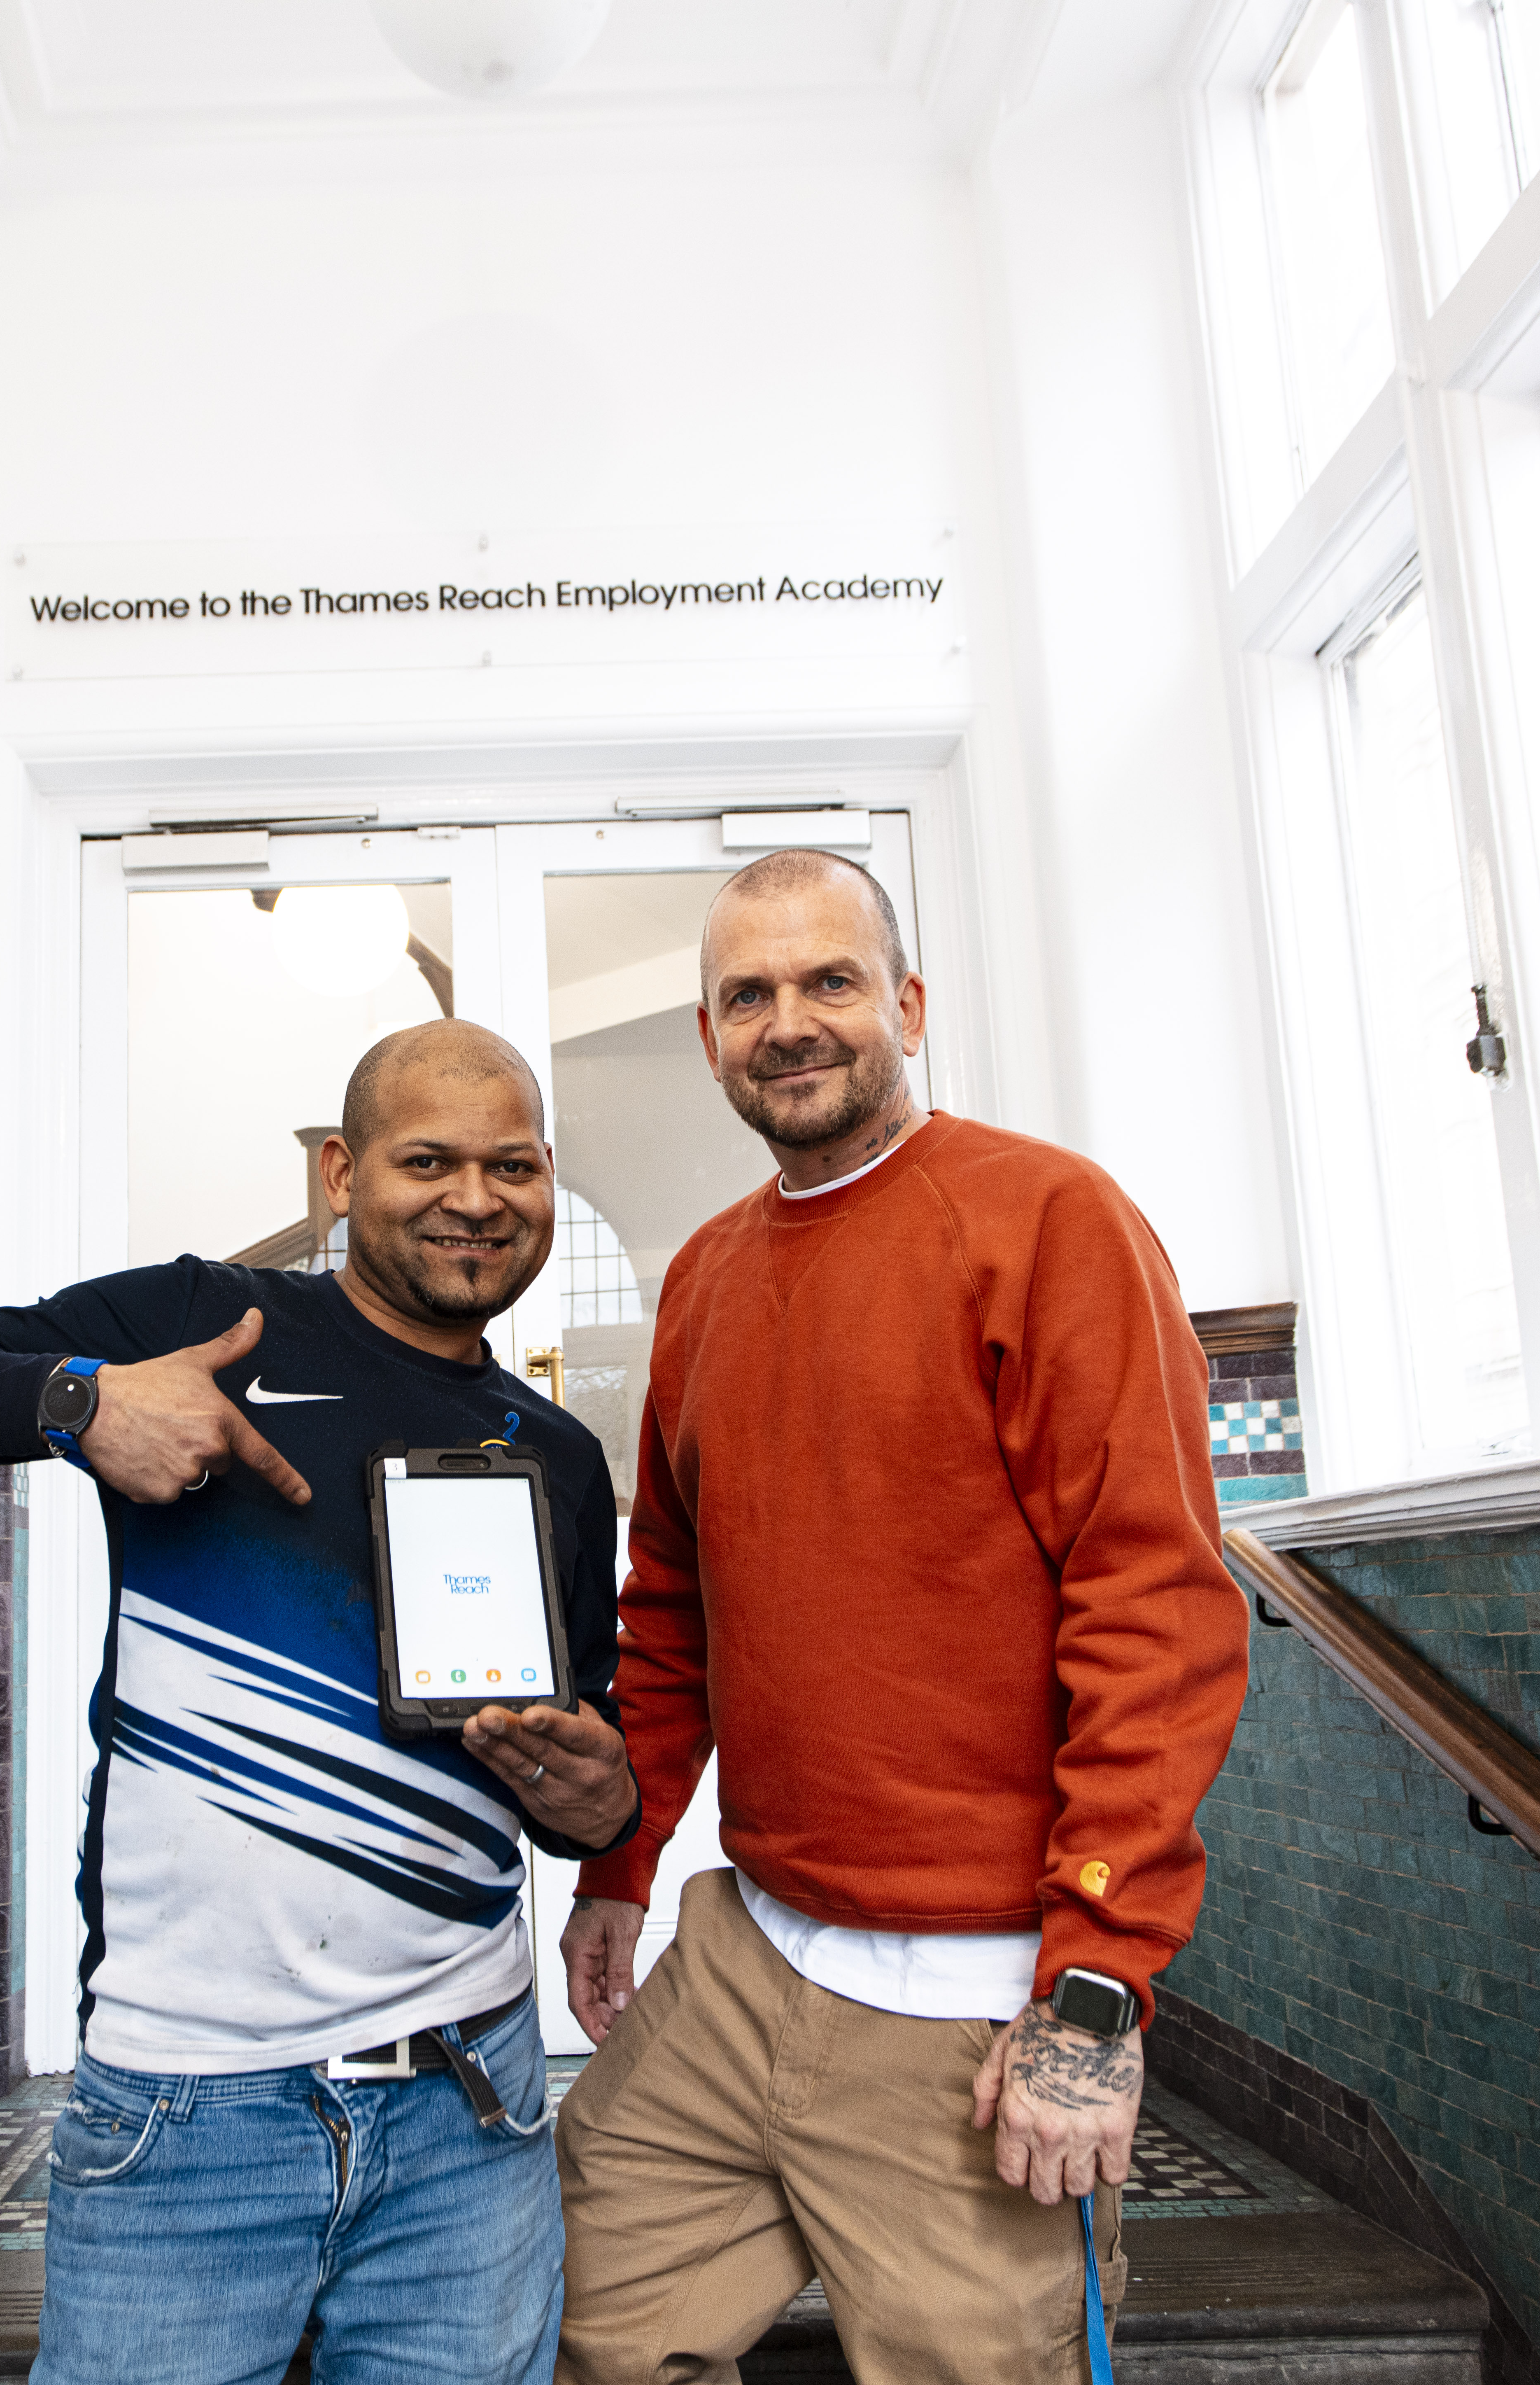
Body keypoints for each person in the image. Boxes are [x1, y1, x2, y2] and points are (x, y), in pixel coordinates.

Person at [0, 1018, 639, 2385]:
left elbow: (583, 1760)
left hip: (471, 2118)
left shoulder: (551, 1451)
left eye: (512, 1167)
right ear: (339, 1172)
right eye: (427, 1159)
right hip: (188, 2119)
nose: (474, 1199)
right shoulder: (206, 1323)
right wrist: (76, 1401)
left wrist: (601, 1802)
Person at [550, 849, 1250, 2384]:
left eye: (830, 982)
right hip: (746, 1957)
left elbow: (1162, 1616)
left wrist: (1093, 1990)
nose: (790, 1022)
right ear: (709, 1035)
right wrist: (623, 1863)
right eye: (750, 995)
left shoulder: (1051, 1221)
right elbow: (671, 1610)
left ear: (909, 1006)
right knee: (584, 2327)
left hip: (977, 2000)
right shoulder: (705, 1281)